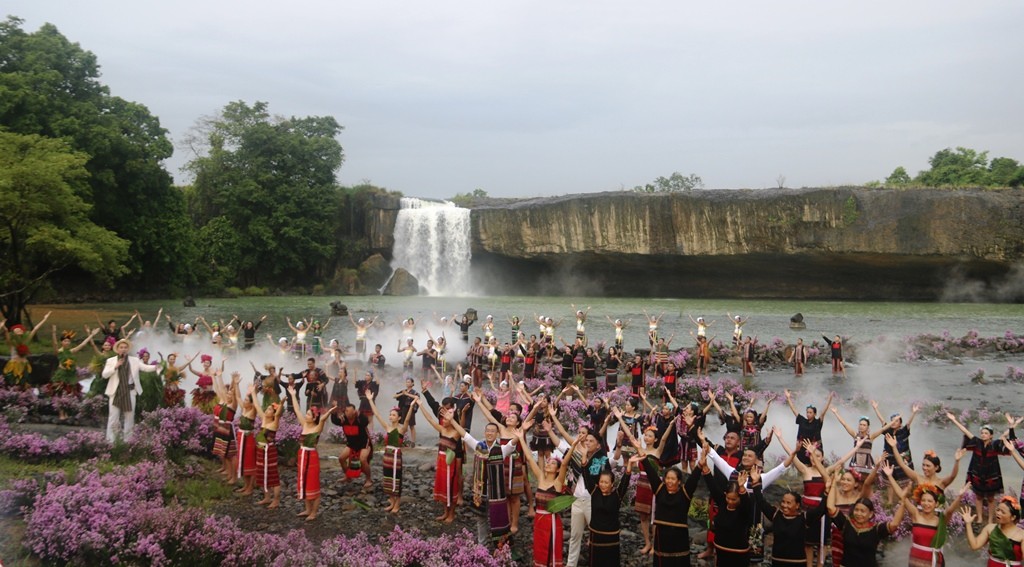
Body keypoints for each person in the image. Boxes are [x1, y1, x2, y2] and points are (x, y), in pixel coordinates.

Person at [456, 410, 522, 552]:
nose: (490, 433)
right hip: (480, 490)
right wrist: (452, 420)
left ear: (497, 434)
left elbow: (512, 443)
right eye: (488, 431)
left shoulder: (501, 449)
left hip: (496, 491)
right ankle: (482, 545)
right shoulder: (479, 446)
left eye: (493, 431)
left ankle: (501, 548)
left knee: (498, 518)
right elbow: (465, 435)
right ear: (485, 432)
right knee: (481, 519)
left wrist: (519, 435)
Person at [826, 463, 908, 567]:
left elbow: (894, 524)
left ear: (870, 514)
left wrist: (903, 502)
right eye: (857, 510)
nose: (859, 514)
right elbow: (830, 507)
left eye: (863, 511)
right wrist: (834, 482)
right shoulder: (846, 524)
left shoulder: (876, 529)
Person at [516, 425, 573, 567]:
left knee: (552, 551)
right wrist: (520, 438)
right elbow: (529, 458)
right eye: (548, 461)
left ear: (557, 469)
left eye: (552, 463)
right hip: (539, 519)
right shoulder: (541, 477)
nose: (548, 463)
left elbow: (565, 463)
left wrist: (575, 445)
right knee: (539, 550)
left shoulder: (558, 483)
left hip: (552, 521)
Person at [642, 443, 705, 566]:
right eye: (668, 478)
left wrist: (700, 465)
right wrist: (641, 453)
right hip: (662, 535)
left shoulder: (684, 494)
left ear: (679, 481)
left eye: (673, 479)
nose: (669, 481)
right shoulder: (660, 490)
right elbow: (650, 473)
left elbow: (693, 480)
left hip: (679, 536)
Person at [947, 411, 1014, 525]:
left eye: (986, 433)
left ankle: (989, 520)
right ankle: (979, 518)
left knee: (991, 498)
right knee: (978, 497)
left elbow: (1005, 437)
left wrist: (1012, 425)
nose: (983, 434)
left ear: (991, 435)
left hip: (991, 475)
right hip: (977, 473)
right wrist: (954, 420)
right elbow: (965, 431)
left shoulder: (995, 444)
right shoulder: (976, 442)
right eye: (982, 432)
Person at [287, 385, 335, 521]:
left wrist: (329, 412)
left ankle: (314, 512)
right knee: (304, 482)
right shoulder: (305, 424)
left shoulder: (316, 428)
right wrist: (293, 395)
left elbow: (323, 419)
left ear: (314, 418)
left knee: (313, 483)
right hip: (302, 455)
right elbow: (296, 410)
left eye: (308, 414)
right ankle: (307, 509)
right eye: (307, 413)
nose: (305, 415)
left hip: (312, 457)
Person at [101, 339, 159, 442]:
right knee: (113, 417)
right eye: (121, 347)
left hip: (130, 391)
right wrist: (115, 366)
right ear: (117, 349)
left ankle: (128, 440)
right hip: (116, 392)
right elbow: (105, 375)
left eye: (125, 347)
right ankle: (110, 441)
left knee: (129, 417)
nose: (123, 349)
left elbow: (145, 368)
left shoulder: (134, 360)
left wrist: (157, 367)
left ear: (128, 349)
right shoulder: (111, 361)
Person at [367, 390, 415, 514]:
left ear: (398, 417)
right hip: (387, 455)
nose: (391, 417)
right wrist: (370, 400)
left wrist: (411, 406)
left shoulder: (401, 429)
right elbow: (377, 414)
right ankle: (392, 501)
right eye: (390, 414)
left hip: (396, 456)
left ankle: (397, 504)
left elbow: (407, 419)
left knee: (396, 479)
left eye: (393, 415)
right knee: (388, 478)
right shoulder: (387, 427)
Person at [418, 397, 464, 523]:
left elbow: (462, 428)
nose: (443, 420)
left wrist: (455, 416)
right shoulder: (442, 430)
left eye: (446, 419)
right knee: (443, 486)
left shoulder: (455, 433)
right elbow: (429, 419)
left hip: (451, 463)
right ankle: (445, 512)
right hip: (441, 461)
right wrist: (420, 405)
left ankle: (451, 514)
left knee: (451, 487)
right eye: (443, 418)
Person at [902, 482, 968, 567]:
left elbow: (950, 511)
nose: (926, 503)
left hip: (933, 561)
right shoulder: (916, 515)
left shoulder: (941, 520)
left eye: (930, 501)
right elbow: (903, 498)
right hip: (915, 559)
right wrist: (889, 476)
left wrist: (959, 496)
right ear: (920, 502)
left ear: (936, 504)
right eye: (923, 500)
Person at [47, 327, 100, 418]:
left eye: (68, 341)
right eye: (65, 341)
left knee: (69, 393)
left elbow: (82, 344)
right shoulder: (59, 352)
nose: (67, 343)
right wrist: (53, 333)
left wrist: (91, 335)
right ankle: (61, 413)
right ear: (62, 342)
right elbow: (55, 344)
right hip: (62, 374)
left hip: (71, 375)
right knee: (61, 393)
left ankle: (66, 412)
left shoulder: (71, 351)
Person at [588, 466, 632, 567]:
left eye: (606, 482)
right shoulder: (594, 492)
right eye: (601, 481)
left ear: (612, 484)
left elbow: (625, 481)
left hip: (611, 536)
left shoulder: (617, 495)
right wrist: (585, 456)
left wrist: (629, 464)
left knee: (610, 562)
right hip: (596, 535)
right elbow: (586, 474)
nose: (603, 485)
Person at [962, 496, 1024, 567]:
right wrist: (968, 524)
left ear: (1013, 517)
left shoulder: (1021, 535)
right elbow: (974, 545)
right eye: (998, 510)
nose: (998, 513)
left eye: (1003, 512)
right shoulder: (990, 528)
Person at [250, 385, 281, 509]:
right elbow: (257, 406)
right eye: (267, 409)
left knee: (273, 474)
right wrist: (253, 393)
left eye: (269, 409)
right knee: (262, 472)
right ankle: (267, 497)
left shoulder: (274, 423)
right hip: (261, 450)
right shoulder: (264, 420)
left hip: (270, 451)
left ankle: (276, 499)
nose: (267, 410)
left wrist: (281, 403)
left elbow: (278, 414)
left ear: (273, 413)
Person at [829, 408, 887, 475]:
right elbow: (844, 424)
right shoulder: (855, 435)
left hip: (867, 462)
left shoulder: (871, 437)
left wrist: (893, 422)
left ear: (868, 427)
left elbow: (883, 429)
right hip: (856, 461)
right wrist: (836, 413)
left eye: (864, 425)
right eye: (860, 424)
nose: (861, 426)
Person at [331, 401, 373, 490]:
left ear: (354, 411)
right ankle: (348, 476)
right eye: (346, 411)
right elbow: (335, 421)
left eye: (349, 411)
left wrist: (359, 414)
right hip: (351, 444)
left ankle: (368, 479)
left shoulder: (359, 419)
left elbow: (365, 422)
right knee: (341, 458)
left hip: (363, 443)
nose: (347, 413)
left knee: (362, 459)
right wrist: (334, 411)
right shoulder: (343, 419)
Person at [784, 389, 834, 464]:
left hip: (814, 448)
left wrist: (829, 400)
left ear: (815, 414)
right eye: (807, 412)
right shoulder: (802, 420)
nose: (808, 414)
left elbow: (823, 412)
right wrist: (788, 398)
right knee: (802, 466)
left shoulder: (817, 422)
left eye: (810, 412)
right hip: (802, 448)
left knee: (815, 464)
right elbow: (794, 410)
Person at [211, 370, 240, 485]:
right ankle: (229, 473)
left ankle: (233, 476)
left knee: (231, 454)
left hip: (228, 431)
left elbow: (236, 396)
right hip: (221, 429)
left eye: (230, 395)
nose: (228, 395)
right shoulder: (224, 401)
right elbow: (220, 389)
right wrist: (218, 376)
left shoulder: (233, 405)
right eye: (227, 394)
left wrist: (235, 383)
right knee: (225, 454)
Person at [233, 378, 258, 496]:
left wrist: (253, 392)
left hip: (248, 439)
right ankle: (245, 485)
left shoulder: (252, 411)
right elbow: (237, 397)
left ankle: (250, 487)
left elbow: (256, 403)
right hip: (241, 437)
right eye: (245, 399)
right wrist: (236, 384)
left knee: (249, 462)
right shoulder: (244, 409)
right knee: (242, 461)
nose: (244, 401)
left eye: (246, 400)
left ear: (251, 403)